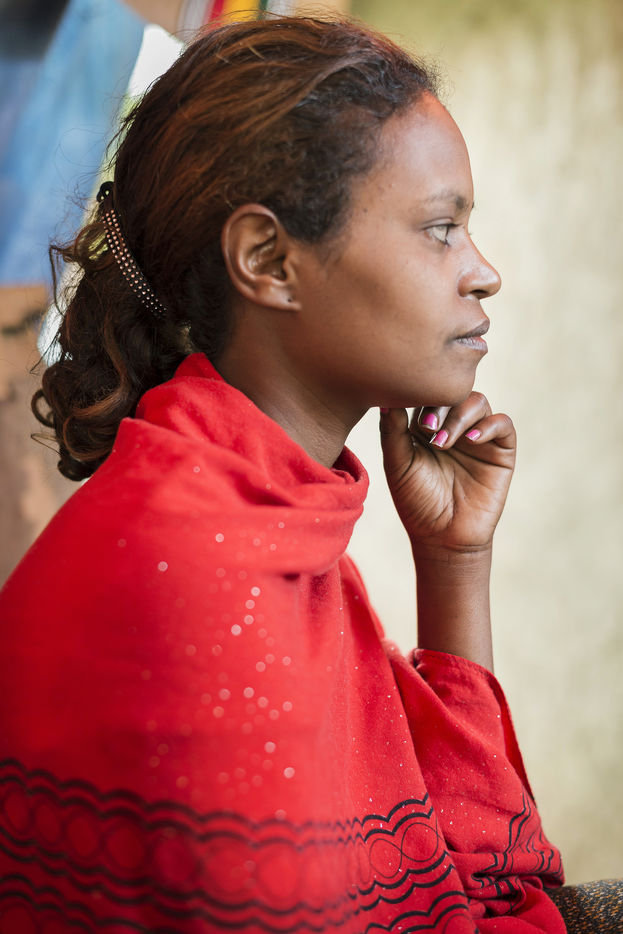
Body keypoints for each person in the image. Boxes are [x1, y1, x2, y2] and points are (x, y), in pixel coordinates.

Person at [0, 16, 569, 932]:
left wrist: (455, 562)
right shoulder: (188, 573)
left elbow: (478, 874)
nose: (483, 273)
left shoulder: (258, 509)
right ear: (267, 260)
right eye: (440, 230)